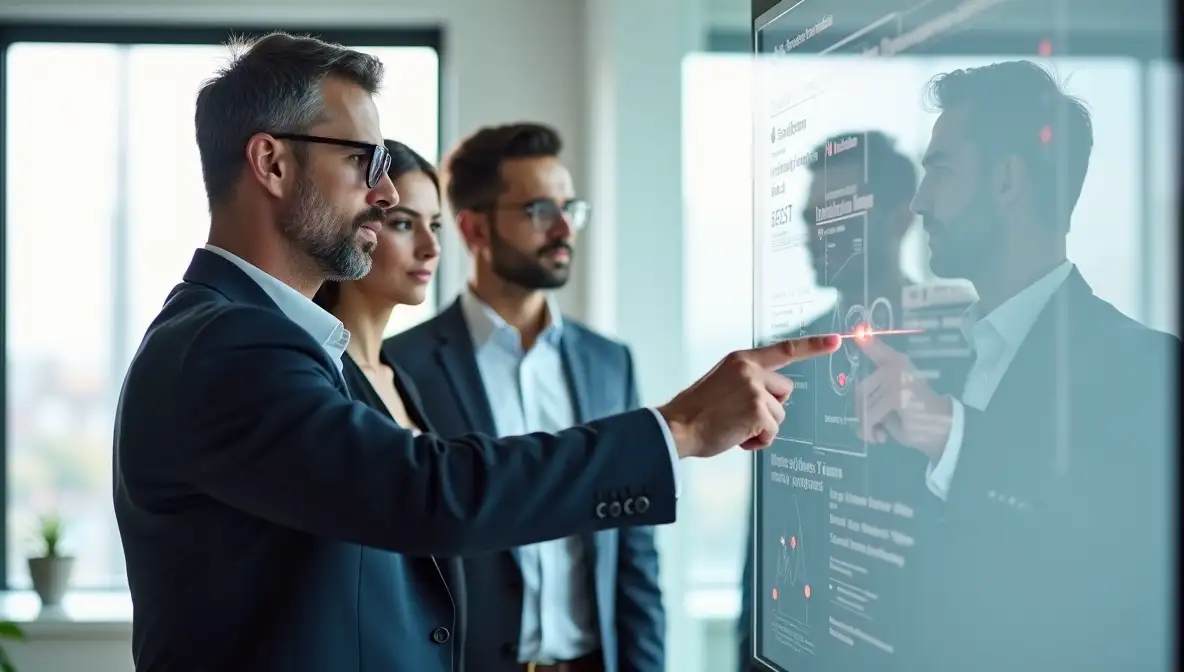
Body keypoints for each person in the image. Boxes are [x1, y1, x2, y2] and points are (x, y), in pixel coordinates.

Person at [112, 31, 840, 672]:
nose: (383, 188)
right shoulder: (226, 344)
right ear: (271, 164)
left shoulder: (281, 342)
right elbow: (425, 493)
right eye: (362, 160)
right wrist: (676, 428)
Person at [853, 60, 1176, 671]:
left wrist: (952, 435)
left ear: (1006, 181)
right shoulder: (932, 366)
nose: (920, 201)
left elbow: (1113, 566)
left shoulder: (1146, 370)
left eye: (941, 170)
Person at [386, 122, 663, 672]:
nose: (564, 228)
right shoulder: (403, 365)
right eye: (539, 211)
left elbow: (634, 552)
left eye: (570, 208)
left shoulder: (610, 363)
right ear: (474, 231)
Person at [735, 131, 949, 671]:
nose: (814, 235)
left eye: (836, 216)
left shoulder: (960, 342)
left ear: (900, 217)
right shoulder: (790, 359)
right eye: (810, 219)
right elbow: (768, 537)